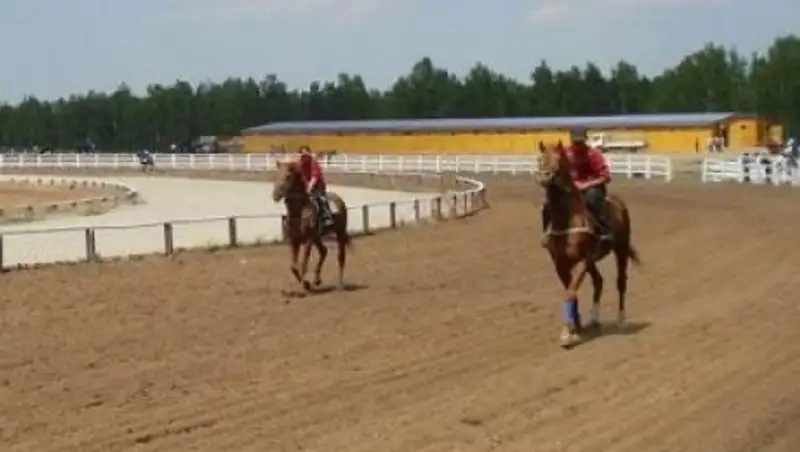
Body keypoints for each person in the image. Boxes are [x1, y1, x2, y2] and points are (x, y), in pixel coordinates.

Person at [541, 126, 612, 244]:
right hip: (570, 187)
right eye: (575, 142)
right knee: (548, 204)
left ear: (585, 140)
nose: (577, 145)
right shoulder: (565, 153)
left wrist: (586, 184)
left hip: (591, 187)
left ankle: (604, 230)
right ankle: (548, 232)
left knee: (592, 199)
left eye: (580, 142)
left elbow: (605, 176)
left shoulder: (593, 154)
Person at [297, 145, 334, 228]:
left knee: (321, 199)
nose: (304, 158)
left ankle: (327, 217)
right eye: (302, 156)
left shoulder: (314, 163)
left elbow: (315, 177)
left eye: (306, 155)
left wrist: (309, 187)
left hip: (318, 187)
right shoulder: (299, 164)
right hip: (305, 187)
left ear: (309, 154)